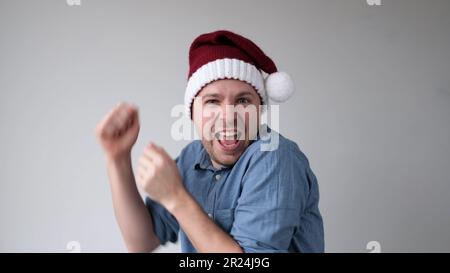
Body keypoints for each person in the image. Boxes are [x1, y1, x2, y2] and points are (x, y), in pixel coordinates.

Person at [95, 30, 324, 253]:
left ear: (259, 110)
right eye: (213, 101)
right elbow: (142, 242)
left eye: (243, 100)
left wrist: (176, 196)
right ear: (192, 113)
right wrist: (117, 159)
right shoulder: (191, 159)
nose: (228, 116)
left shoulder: (275, 157)